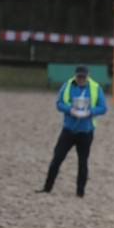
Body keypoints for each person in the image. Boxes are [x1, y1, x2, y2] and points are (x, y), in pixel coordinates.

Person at [37, 65, 108, 197]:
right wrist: (70, 109)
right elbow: (59, 103)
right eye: (79, 76)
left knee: (82, 162)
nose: (81, 79)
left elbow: (103, 107)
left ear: (88, 76)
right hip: (69, 129)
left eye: (83, 77)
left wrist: (90, 112)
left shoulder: (95, 87)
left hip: (86, 131)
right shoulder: (68, 85)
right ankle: (47, 187)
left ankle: (80, 193)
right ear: (75, 76)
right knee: (57, 158)